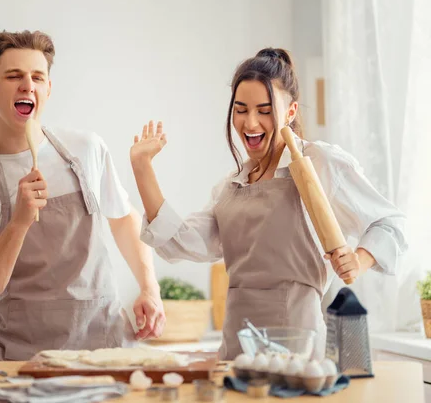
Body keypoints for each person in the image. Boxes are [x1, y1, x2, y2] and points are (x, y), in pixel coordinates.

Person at [129, 48, 407, 360]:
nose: (250, 123)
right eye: (240, 109)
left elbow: (390, 225)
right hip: (237, 345)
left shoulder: (319, 163)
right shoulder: (230, 186)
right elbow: (180, 242)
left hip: (297, 345)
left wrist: (359, 258)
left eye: (264, 110)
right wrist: (143, 168)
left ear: (291, 111)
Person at [0, 30, 165, 361]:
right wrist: (18, 223)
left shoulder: (86, 149)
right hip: (22, 358)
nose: (27, 85)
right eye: (13, 76)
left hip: (103, 349)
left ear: (48, 88)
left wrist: (149, 287)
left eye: (37, 77)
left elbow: (123, 218)